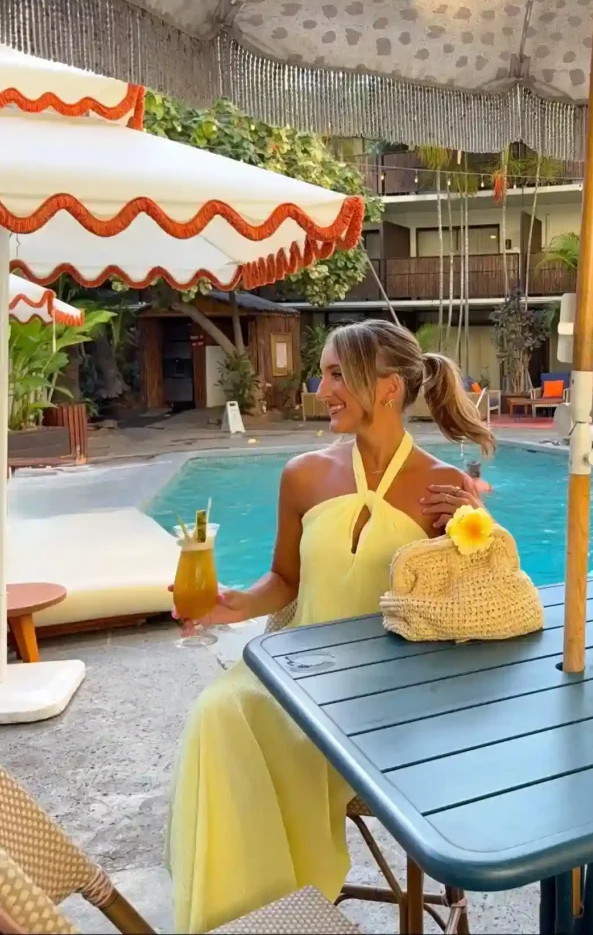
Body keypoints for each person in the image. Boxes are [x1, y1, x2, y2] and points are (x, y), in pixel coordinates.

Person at [168, 319, 494, 933]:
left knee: (257, 732)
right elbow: (284, 581)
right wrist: (230, 604)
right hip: (294, 671)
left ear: (390, 387)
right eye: (326, 372)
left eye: (339, 373)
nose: (323, 387)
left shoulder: (445, 488)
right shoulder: (303, 474)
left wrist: (479, 532)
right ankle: (246, 916)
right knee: (217, 714)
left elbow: (475, 602)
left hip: (390, 692)